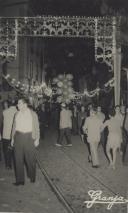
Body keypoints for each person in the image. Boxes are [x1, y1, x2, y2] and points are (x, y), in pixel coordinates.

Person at [11, 98, 40, 186]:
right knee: (18, 159)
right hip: (18, 137)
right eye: (17, 103)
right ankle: (20, 180)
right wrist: (12, 139)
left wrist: (37, 138)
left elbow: (37, 127)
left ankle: (32, 177)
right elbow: (14, 127)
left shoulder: (33, 114)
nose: (17, 105)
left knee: (30, 159)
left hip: (29, 137)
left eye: (19, 103)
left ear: (25, 104)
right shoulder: (16, 114)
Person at [2, 100, 17, 169]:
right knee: (14, 150)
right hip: (15, 135)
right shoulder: (18, 112)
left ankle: (8, 165)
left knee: (6, 150)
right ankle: (16, 164)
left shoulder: (4, 112)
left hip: (5, 135)